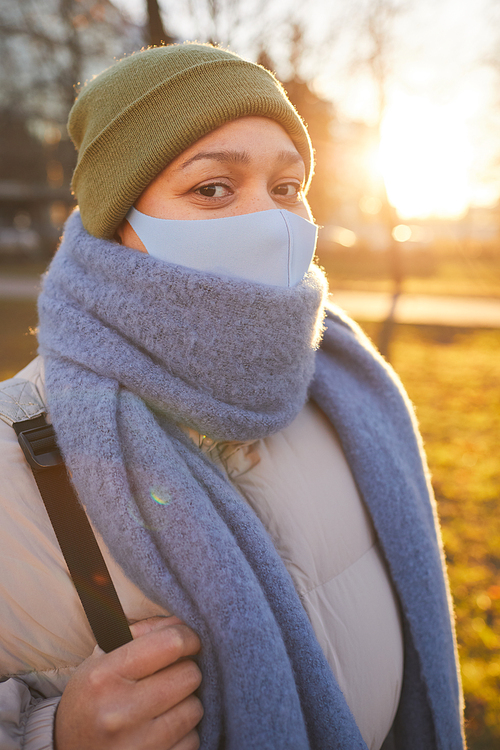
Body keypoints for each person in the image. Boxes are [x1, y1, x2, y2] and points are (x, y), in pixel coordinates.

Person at [0, 43, 465, 750]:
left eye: (287, 188)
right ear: (120, 217)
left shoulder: (341, 381)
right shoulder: (15, 449)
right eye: (213, 188)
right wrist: (52, 736)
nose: (271, 221)